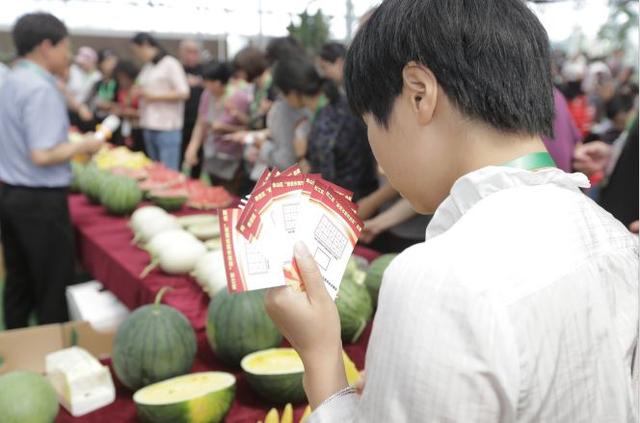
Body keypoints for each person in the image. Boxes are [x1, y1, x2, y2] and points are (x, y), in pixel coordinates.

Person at [265, 1, 638, 422]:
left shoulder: (439, 279)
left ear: (418, 93)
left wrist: (321, 358)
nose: (380, 155)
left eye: (370, 121)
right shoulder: (616, 238)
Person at [0, 13, 103, 329]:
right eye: (65, 47)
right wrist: (84, 145)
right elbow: (43, 154)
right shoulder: (40, 89)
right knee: (51, 283)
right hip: (40, 200)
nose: (67, 56)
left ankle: (15, 347)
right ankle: (53, 353)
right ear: (46, 46)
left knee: (18, 277)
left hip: (11, 192)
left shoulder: (10, 80)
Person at [270, 56, 377, 201]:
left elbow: (322, 190)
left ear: (293, 93)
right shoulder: (343, 101)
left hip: (349, 207)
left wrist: (300, 156)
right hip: (368, 188)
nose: (283, 99)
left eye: (282, 94)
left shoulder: (323, 128)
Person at [131, 32, 189, 170]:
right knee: (155, 171)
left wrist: (154, 96)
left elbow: (184, 92)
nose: (137, 54)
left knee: (168, 172)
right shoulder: (148, 67)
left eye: (136, 50)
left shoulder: (170, 63)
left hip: (167, 127)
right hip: (148, 124)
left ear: (145, 45)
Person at [179, 39, 204, 178]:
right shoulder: (177, 69)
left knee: (197, 160)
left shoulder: (204, 71)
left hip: (199, 122)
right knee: (179, 159)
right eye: (188, 51)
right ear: (181, 53)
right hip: (179, 123)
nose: (191, 55)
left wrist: (200, 82)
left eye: (195, 52)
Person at [112, 60, 144, 152]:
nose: (122, 80)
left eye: (124, 77)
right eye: (119, 78)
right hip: (124, 127)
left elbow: (144, 112)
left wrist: (131, 112)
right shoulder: (120, 89)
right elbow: (120, 105)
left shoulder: (138, 89)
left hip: (138, 129)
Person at [87, 49, 118, 126]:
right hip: (97, 121)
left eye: (114, 62)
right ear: (100, 63)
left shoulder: (118, 82)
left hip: (114, 122)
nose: (112, 64)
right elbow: (91, 102)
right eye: (108, 61)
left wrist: (110, 105)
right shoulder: (96, 82)